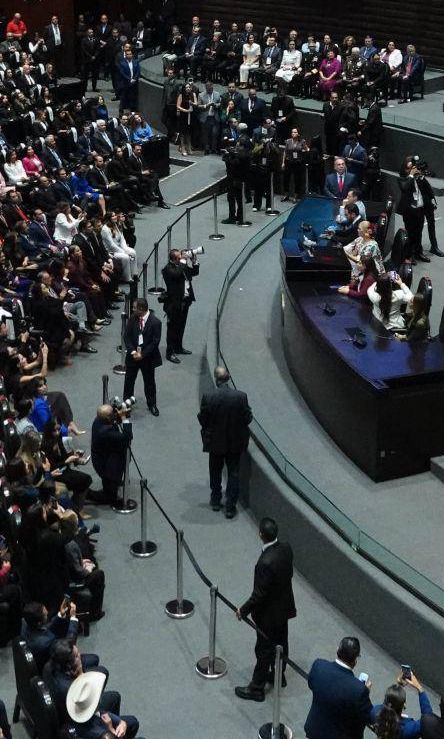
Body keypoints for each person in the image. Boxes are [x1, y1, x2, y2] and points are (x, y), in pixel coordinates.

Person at [233, 516, 296, 701]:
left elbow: (259, 594)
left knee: (264, 649)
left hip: (268, 615)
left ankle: (257, 688)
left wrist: (242, 610)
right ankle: (279, 674)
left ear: (261, 535)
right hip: (284, 608)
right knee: (282, 642)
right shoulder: (286, 548)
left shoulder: (264, 563)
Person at [199, 365, 251, 518]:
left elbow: (203, 419)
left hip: (215, 442)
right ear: (228, 377)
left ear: (216, 379)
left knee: (215, 471)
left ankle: (215, 500)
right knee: (233, 473)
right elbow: (247, 418)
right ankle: (230, 507)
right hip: (235, 443)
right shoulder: (241, 397)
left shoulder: (208, 397)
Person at [304, 636, 373, 739]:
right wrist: (365, 690)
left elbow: (311, 684)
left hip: (314, 731)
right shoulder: (359, 690)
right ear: (356, 658)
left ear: (337, 650)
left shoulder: (319, 666)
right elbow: (369, 715)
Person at [124, 297, 163, 416]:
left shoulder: (156, 322)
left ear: (141, 309)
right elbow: (127, 337)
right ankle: (127, 406)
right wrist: (133, 352)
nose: (133, 309)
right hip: (133, 357)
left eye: (134, 307)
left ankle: (152, 404)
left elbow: (155, 342)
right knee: (129, 382)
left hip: (148, 358)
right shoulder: (132, 319)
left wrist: (142, 354)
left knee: (149, 382)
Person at [160, 247, 200, 361]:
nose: (182, 259)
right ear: (174, 259)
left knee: (181, 326)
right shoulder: (167, 269)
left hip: (185, 301)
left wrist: (194, 261)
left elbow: (194, 272)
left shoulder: (182, 266)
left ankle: (178, 347)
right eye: (179, 258)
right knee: (172, 329)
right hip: (174, 303)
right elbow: (177, 275)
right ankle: (170, 353)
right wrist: (183, 261)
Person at [369, 672, 435, 739]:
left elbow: (388, 702)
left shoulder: (374, 712)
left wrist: (399, 685)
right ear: (403, 705)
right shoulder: (409, 729)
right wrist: (420, 688)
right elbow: (428, 720)